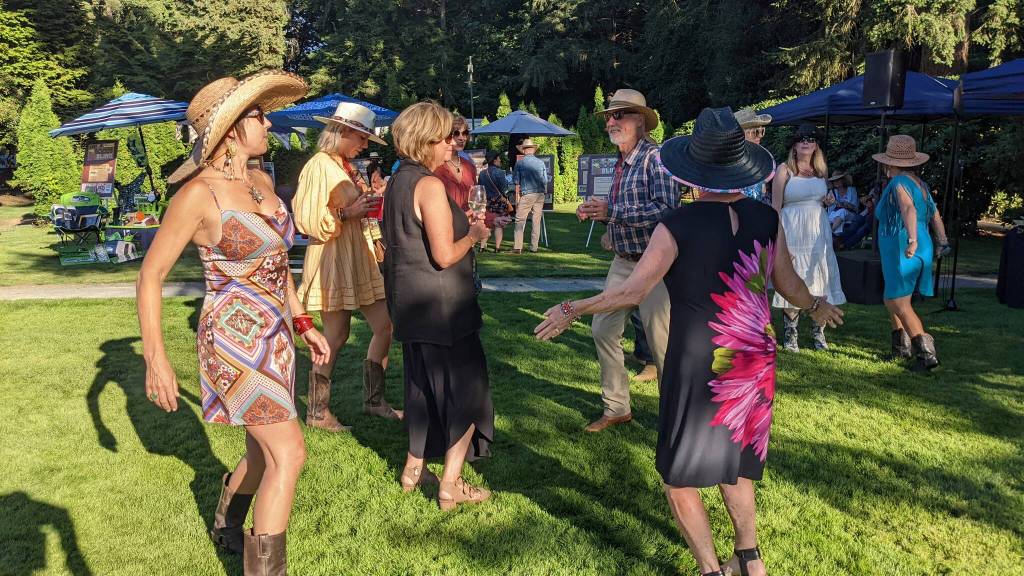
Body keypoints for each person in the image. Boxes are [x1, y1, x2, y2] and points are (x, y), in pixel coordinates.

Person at [536, 108, 844, 576]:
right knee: (736, 460)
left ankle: (711, 570)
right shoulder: (766, 218)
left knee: (679, 478)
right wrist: (818, 305)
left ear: (693, 171)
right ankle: (749, 559)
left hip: (701, 359)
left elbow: (631, 292)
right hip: (754, 358)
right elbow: (790, 285)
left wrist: (570, 309)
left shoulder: (676, 225)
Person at [137, 71, 330, 573]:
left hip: (277, 337)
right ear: (228, 130)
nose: (269, 123)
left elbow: (276, 262)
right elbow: (151, 276)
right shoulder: (199, 196)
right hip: (232, 339)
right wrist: (156, 359)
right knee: (289, 454)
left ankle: (227, 517)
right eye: (258, 116)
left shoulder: (262, 181)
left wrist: (303, 322)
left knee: (264, 454)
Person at [383, 101, 495, 510]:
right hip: (445, 308)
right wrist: (476, 233)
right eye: (446, 136)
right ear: (426, 139)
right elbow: (445, 255)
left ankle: (414, 469)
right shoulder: (429, 185)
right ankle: (451, 482)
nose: (453, 144)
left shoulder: (398, 181)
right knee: (469, 394)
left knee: (421, 390)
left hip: (411, 306)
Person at [576, 88, 681, 432]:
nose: (610, 121)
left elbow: (667, 211)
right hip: (623, 261)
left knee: (662, 344)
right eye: (609, 115)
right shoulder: (621, 161)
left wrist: (613, 212)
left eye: (619, 115)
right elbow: (625, 214)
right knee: (602, 329)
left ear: (640, 120)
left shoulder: (657, 157)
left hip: (655, 266)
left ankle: (676, 417)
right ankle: (617, 406)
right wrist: (605, 222)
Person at [293, 101, 401, 432]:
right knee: (336, 336)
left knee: (386, 326)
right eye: (363, 138)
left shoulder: (342, 165)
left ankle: (374, 401)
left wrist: (366, 202)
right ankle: (317, 411)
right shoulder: (319, 166)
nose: (365, 145)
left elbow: (352, 208)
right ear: (343, 132)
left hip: (357, 256)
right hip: (332, 258)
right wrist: (347, 214)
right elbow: (307, 220)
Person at [874, 135, 949, 369]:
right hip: (915, 244)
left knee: (900, 302)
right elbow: (935, 215)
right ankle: (901, 349)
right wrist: (943, 241)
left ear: (889, 162)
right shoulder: (920, 184)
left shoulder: (898, 183)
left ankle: (927, 356)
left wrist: (912, 240)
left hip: (902, 245)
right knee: (891, 299)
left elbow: (908, 209)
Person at [771, 123, 846, 352]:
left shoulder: (820, 171)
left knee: (819, 277)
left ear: (816, 145)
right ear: (794, 144)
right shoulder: (784, 170)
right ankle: (791, 336)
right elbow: (775, 208)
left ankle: (819, 334)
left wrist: (826, 200)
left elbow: (818, 197)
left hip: (817, 231)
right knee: (793, 276)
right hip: (792, 229)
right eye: (802, 138)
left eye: (811, 139)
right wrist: (780, 243)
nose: (806, 142)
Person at [511, 138, 548, 254]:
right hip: (540, 194)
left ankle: (518, 247)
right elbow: (545, 180)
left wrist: (518, 196)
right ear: (533, 149)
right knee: (536, 220)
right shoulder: (541, 162)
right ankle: (534, 247)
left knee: (520, 220)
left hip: (527, 194)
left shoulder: (520, 163)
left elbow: (516, 181)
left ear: (524, 150)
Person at [733, 108, 773, 204]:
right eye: (755, 132)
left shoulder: (764, 157)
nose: (759, 136)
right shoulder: (728, 162)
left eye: (762, 131)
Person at [479, 150, 514, 252]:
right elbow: (505, 189)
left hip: (488, 202)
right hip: (499, 202)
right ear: (494, 160)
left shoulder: (482, 173)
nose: (500, 160)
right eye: (499, 158)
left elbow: (480, 189)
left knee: (488, 223)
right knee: (499, 225)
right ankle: (497, 248)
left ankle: (482, 247)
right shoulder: (500, 173)